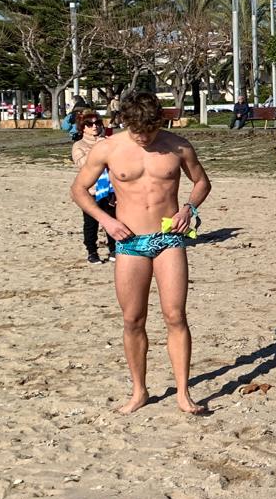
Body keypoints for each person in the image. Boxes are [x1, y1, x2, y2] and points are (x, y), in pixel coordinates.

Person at [69, 91, 212, 415]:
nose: (144, 138)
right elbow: (78, 190)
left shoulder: (178, 146)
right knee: (133, 319)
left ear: (159, 122)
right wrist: (107, 221)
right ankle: (139, 391)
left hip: (168, 239)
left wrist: (188, 209)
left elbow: (202, 182)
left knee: (175, 316)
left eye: (150, 131)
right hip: (130, 243)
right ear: (125, 123)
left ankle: (183, 393)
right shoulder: (108, 148)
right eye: (137, 132)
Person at [70, 111, 117, 263]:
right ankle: (92, 251)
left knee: (112, 218)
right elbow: (83, 164)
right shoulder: (79, 145)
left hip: (109, 189)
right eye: (90, 124)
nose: (94, 126)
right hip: (90, 191)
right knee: (91, 223)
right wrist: (97, 149)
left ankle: (114, 249)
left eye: (97, 123)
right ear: (83, 128)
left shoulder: (107, 141)